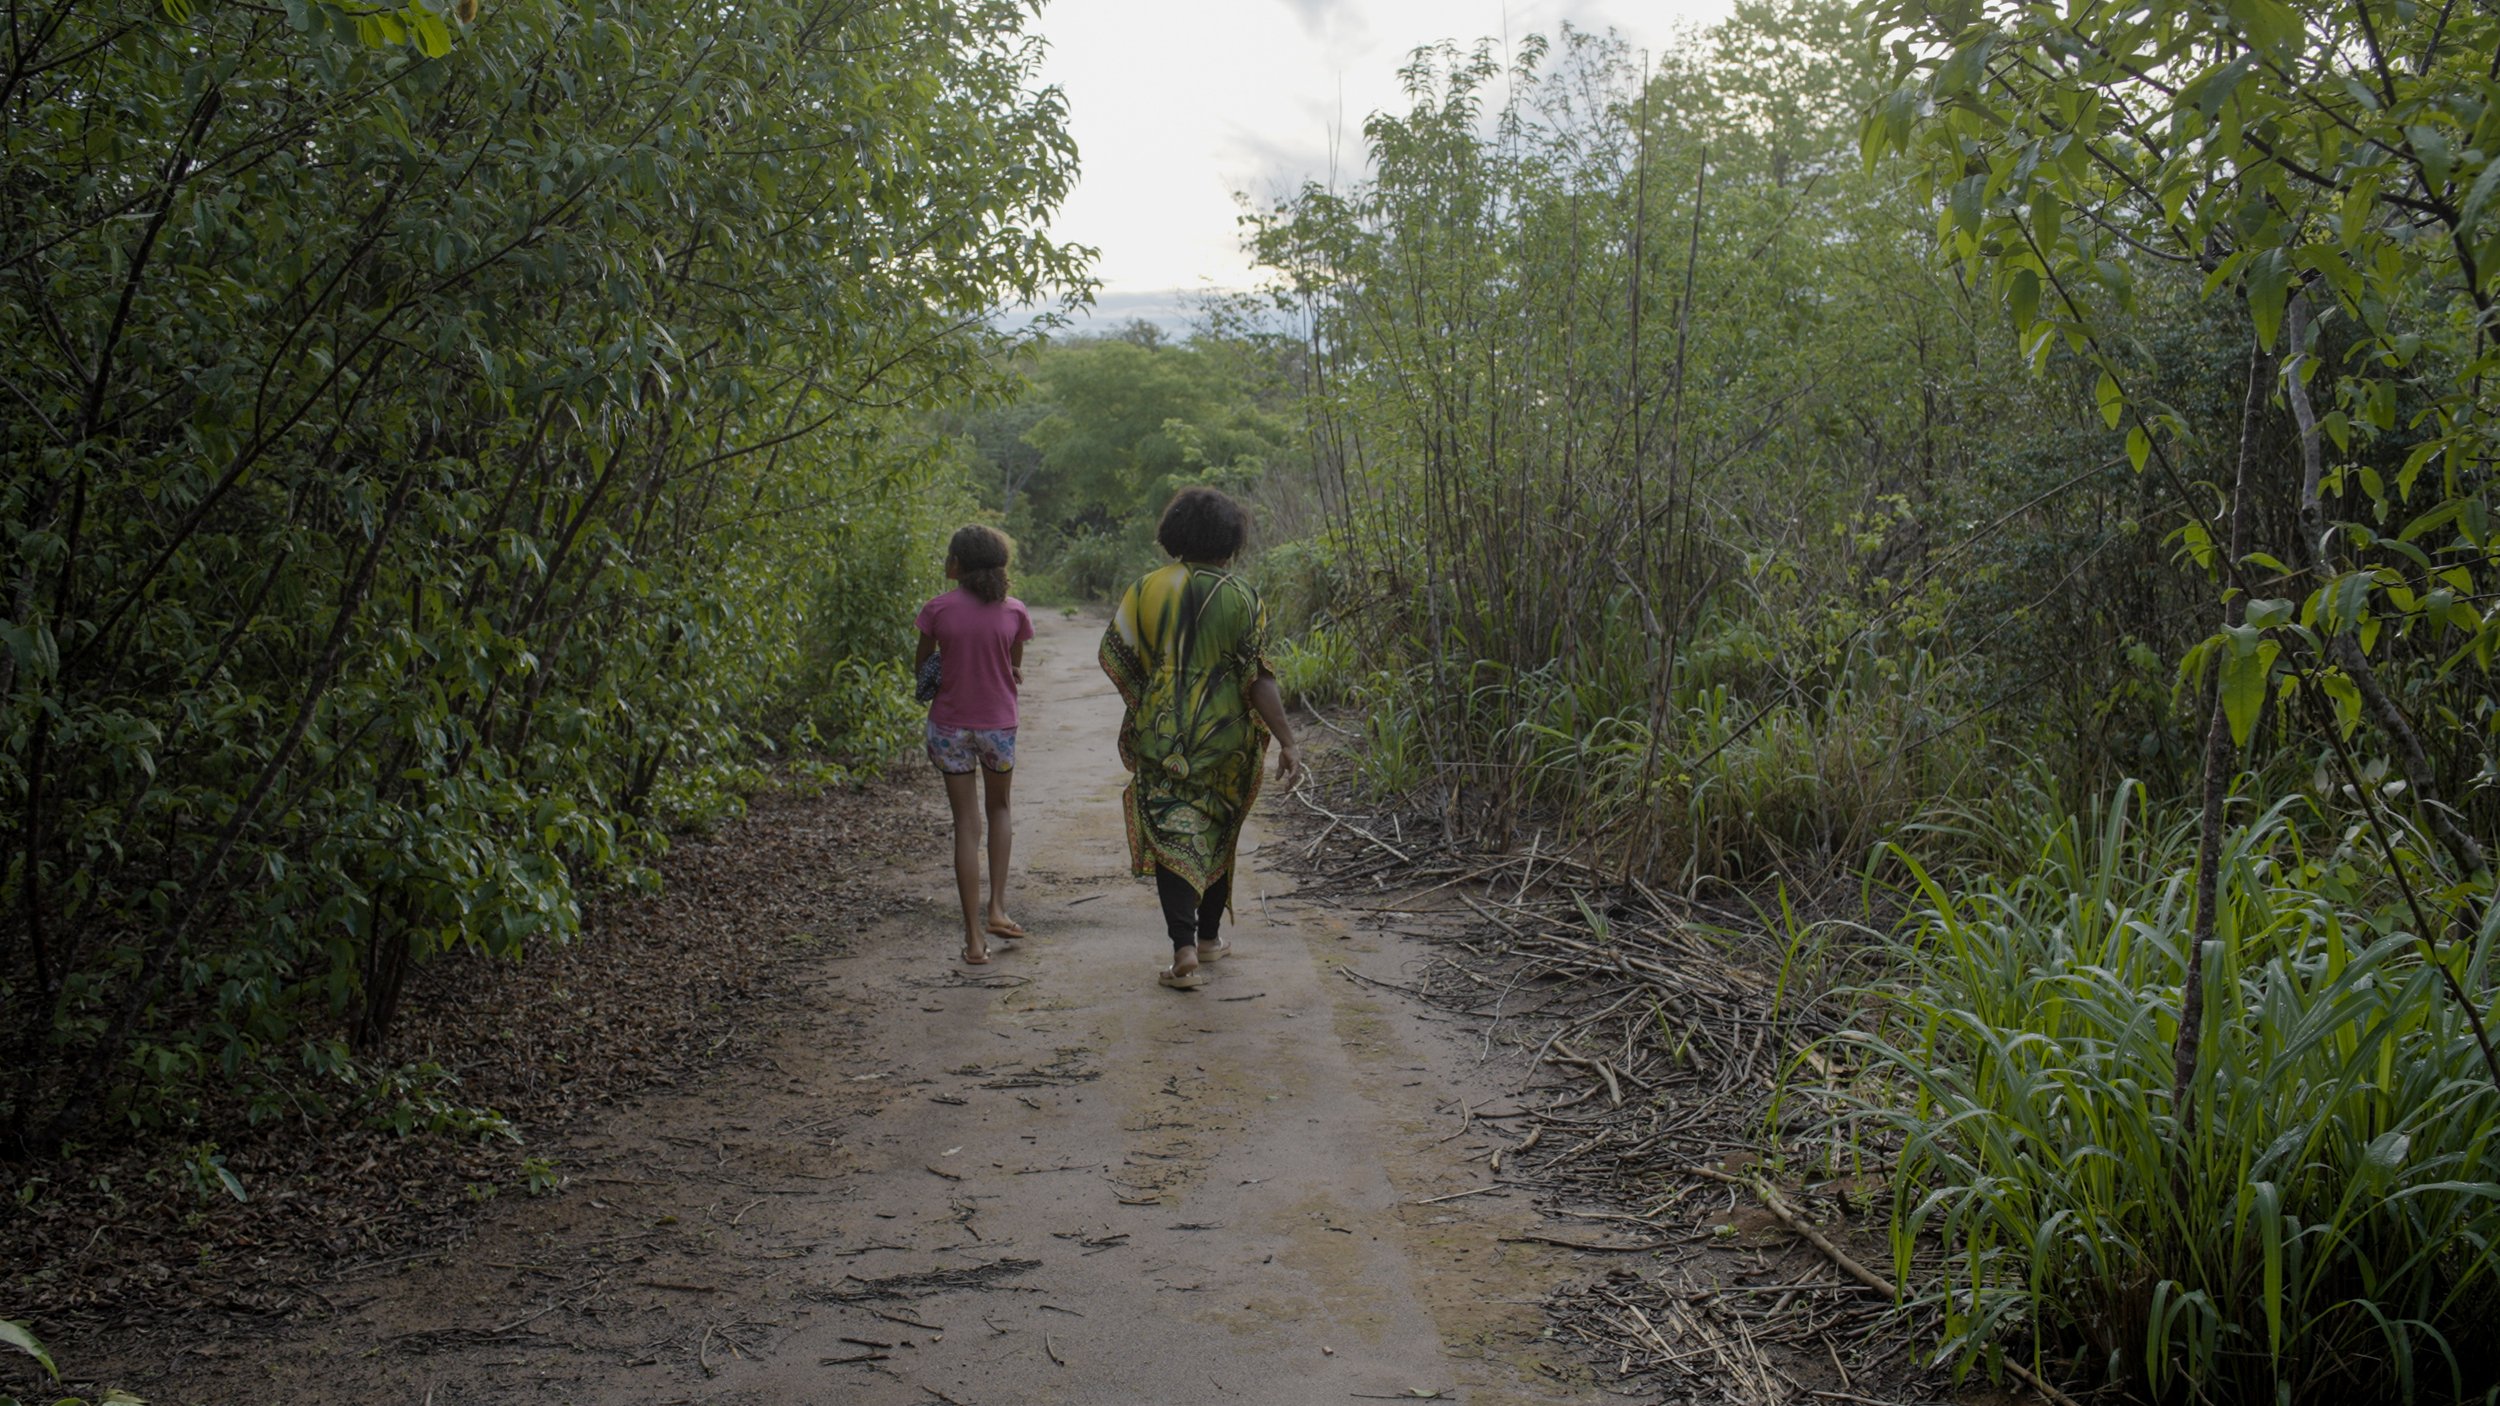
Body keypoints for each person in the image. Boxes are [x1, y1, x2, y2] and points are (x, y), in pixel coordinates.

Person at [1099, 487, 1301, 991]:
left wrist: (1154, 697)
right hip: (1226, 739)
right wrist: (1288, 741)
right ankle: (1209, 939)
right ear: (1230, 540)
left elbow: (1117, 657)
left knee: (1173, 832)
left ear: (1176, 534)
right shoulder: (1243, 596)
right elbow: (1258, 678)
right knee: (1218, 829)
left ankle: (1184, 948)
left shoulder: (1145, 589)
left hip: (1163, 738)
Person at [914, 525, 1033, 966]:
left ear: (956, 565)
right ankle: (997, 909)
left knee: (966, 825)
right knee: (999, 810)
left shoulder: (936, 610)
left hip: (949, 727)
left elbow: (923, 665)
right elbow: (1014, 666)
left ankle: (973, 940)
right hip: (997, 726)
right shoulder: (1015, 611)